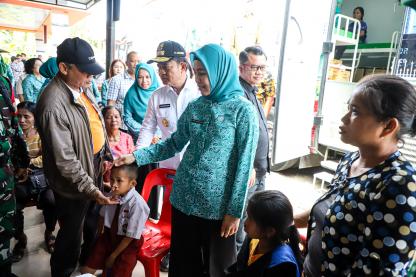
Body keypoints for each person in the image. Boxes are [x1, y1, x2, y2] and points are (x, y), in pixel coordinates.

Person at [116, 43, 259, 277]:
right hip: (183, 200)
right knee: (183, 266)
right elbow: (173, 143)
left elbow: (244, 165)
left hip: (217, 210)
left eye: (204, 72)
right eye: (196, 72)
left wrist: (234, 212)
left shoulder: (242, 111)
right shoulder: (196, 107)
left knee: (218, 268)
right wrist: (136, 156)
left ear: (220, 71)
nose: (199, 78)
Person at [295, 74, 416, 276]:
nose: (343, 119)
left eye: (355, 112)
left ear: (388, 126)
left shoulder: (399, 185)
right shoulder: (350, 160)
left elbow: (379, 271)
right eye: (348, 108)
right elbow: (336, 205)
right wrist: (289, 220)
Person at [35, 37, 118, 277]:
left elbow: (96, 121)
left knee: (91, 226)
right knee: (72, 234)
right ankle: (63, 271)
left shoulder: (82, 86)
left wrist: (106, 154)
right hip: (74, 180)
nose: (91, 76)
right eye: (85, 71)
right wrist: (91, 189)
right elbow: (65, 160)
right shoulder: (52, 103)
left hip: (92, 166)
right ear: (64, 68)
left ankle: (86, 268)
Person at [137, 40, 200, 271]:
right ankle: (171, 251)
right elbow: (147, 129)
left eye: (167, 67)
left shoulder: (199, 94)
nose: (161, 72)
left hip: (196, 169)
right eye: (159, 67)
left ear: (183, 66)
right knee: (169, 212)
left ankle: (188, 253)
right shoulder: (157, 96)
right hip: (169, 168)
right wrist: (137, 157)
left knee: (192, 216)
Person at [80, 164, 149, 277]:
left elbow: (130, 236)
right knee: (86, 269)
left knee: (119, 270)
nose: (114, 185)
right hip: (108, 236)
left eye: (119, 181)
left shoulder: (138, 205)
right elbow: (102, 216)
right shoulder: (112, 195)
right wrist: (100, 236)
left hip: (128, 244)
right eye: (112, 179)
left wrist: (113, 256)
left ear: (132, 183)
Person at [12, 101, 58, 262]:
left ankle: (49, 232)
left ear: (35, 117)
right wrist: (20, 167)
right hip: (22, 178)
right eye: (19, 117)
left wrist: (28, 164)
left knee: (51, 200)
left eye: (26, 117)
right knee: (14, 204)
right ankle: (21, 238)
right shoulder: (14, 136)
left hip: (42, 176)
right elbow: (12, 157)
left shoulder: (42, 135)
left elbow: (47, 157)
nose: (22, 120)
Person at [236, 46, 270, 252]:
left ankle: (243, 260)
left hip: (260, 169)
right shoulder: (239, 94)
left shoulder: (252, 91)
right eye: (254, 67)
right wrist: (248, 165)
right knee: (241, 225)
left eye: (262, 68)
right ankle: (234, 266)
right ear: (241, 67)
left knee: (254, 222)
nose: (259, 72)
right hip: (249, 172)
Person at [226, 190, 302, 277]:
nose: (245, 222)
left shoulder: (282, 265)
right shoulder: (253, 239)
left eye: (250, 219)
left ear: (269, 231)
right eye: (247, 216)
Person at [0, 73, 29, 277]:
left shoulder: (2, 81)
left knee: (4, 227)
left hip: (4, 173)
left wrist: (21, 161)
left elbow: (11, 123)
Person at [124, 63, 160, 143]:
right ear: (136, 77)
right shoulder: (131, 93)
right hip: (139, 137)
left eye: (147, 77)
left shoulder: (160, 92)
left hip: (160, 138)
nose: (144, 81)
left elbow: (167, 116)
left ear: (152, 77)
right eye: (140, 77)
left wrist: (157, 134)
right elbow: (127, 117)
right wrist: (145, 133)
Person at [107, 52, 140, 126]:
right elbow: (110, 104)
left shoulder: (143, 79)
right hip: (122, 125)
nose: (136, 64)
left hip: (140, 124)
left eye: (138, 61)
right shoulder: (116, 80)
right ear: (126, 63)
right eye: (132, 61)